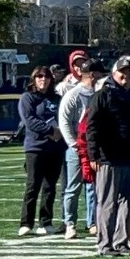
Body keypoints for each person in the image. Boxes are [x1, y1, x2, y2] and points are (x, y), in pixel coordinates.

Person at [86, 57, 130, 257]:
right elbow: (92, 126)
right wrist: (93, 155)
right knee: (107, 202)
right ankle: (105, 244)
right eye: (122, 72)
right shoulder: (103, 95)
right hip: (109, 157)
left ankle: (122, 241)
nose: (126, 75)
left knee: (128, 202)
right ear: (114, 73)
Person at [18, 66, 65, 236]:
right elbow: (29, 120)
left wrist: (61, 132)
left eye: (46, 76)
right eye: (39, 76)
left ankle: (46, 221)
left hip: (56, 147)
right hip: (35, 147)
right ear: (34, 78)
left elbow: (64, 117)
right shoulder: (27, 97)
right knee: (33, 185)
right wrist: (51, 131)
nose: (43, 79)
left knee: (50, 186)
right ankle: (26, 222)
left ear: (51, 79)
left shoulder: (57, 98)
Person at [57, 59, 102, 238]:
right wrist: (74, 144)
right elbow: (64, 121)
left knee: (93, 186)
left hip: (94, 146)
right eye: (99, 74)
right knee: (73, 186)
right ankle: (70, 223)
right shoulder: (73, 95)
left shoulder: (99, 94)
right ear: (92, 74)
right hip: (77, 147)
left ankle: (92, 222)